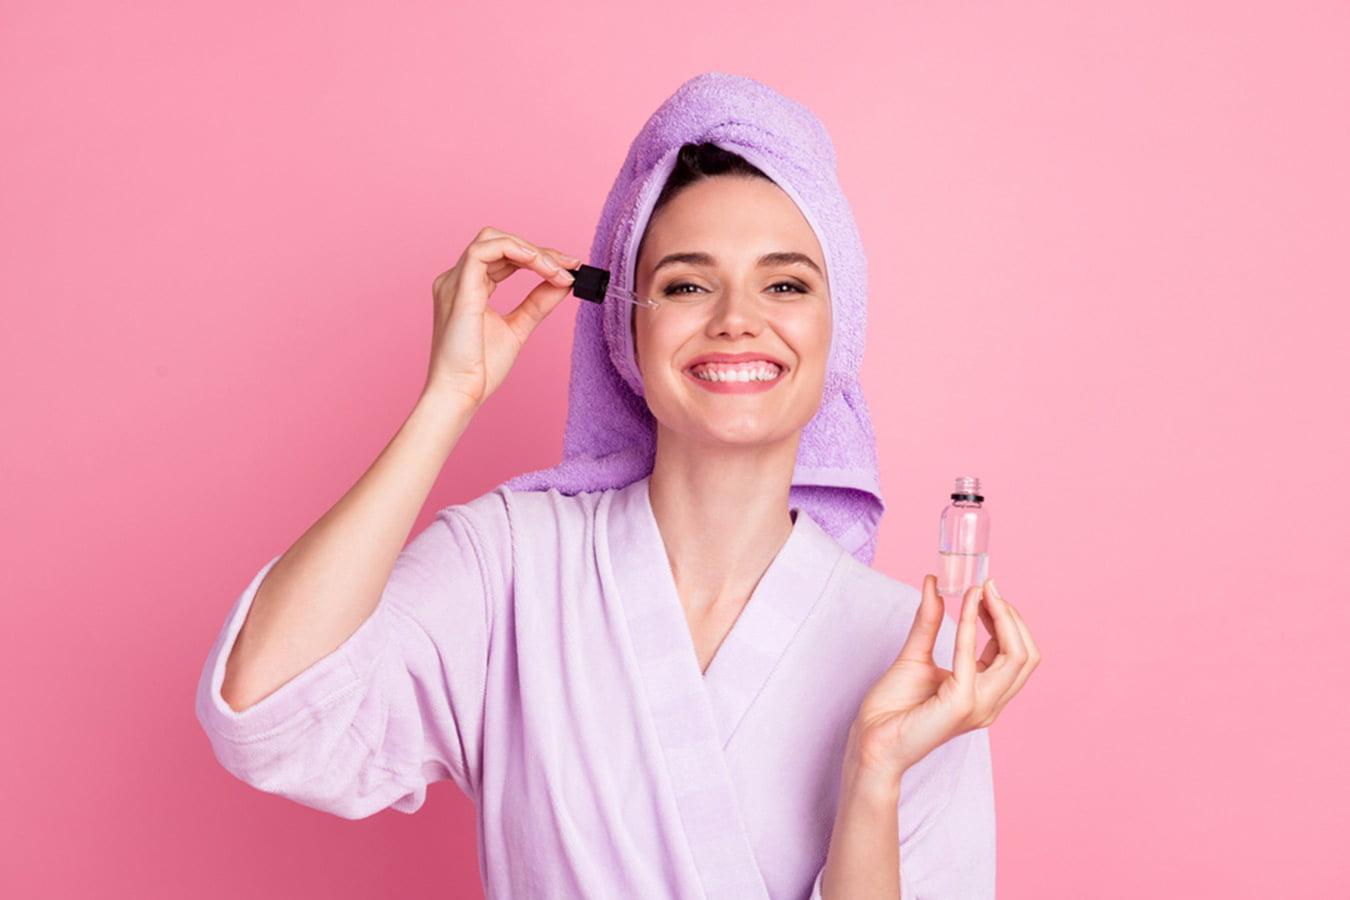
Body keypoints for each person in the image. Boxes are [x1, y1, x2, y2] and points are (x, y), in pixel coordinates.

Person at [195, 72, 1039, 899]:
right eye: (685, 284)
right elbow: (267, 713)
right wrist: (446, 402)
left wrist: (875, 774)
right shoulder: (508, 563)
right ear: (624, 329)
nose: (735, 317)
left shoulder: (915, 659)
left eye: (784, 284)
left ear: (839, 327)